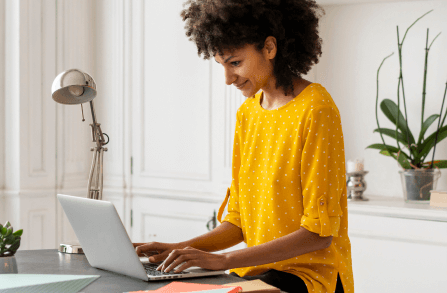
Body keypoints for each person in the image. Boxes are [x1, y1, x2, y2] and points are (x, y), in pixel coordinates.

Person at [134, 1, 354, 292]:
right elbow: (238, 222)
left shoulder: (316, 109)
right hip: (252, 272)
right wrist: (178, 248)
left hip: (308, 277)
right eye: (222, 65)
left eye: (235, 63)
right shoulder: (248, 113)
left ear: (270, 48)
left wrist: (223, 259)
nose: (228, 79)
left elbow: (318, 234)